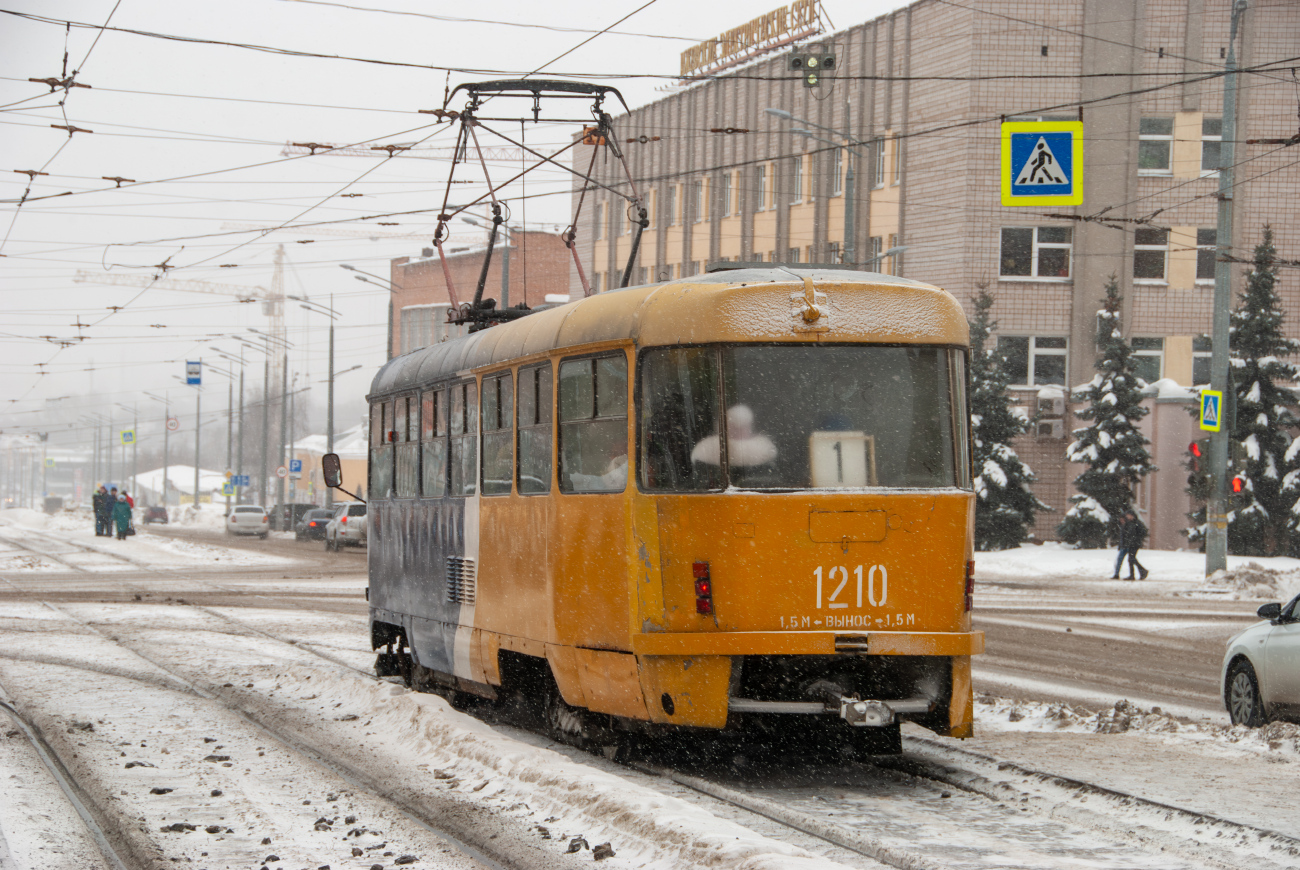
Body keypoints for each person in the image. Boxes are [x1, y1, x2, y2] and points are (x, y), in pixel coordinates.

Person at [1112, 510, 1148, 580]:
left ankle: (1141, 572)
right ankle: (1138, 573)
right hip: (1130, 544)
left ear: (1132, 515)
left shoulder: (1137, 523)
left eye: (1128, 515)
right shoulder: (1129, 523)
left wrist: (1136, 539)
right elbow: (1126, 534)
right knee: (1131, 559)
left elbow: (1142, 532)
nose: (1127, 517)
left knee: (1131, 559)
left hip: (1135, 544)